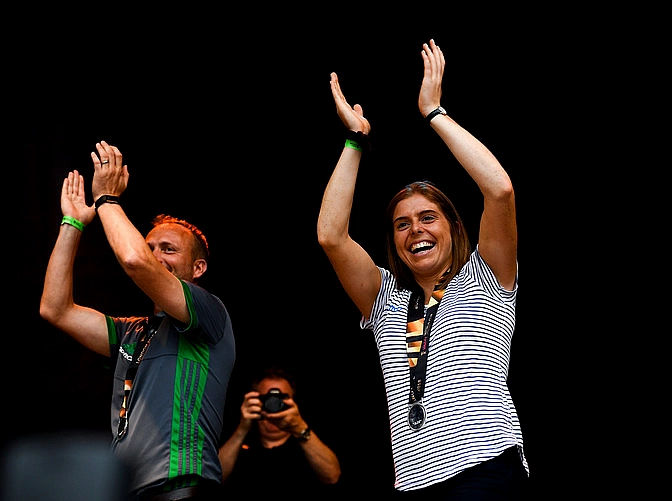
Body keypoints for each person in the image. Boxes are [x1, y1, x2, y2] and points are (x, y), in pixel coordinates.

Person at [316, 39, 529, 500]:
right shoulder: (383, 298)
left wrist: (434, 112)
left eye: (427, 217)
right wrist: (355, 140)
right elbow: (331, 236)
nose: (414, 230)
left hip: (486, 472)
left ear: (453, 225)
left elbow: (500, 191)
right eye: (401, 224)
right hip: (414, 485)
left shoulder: (486, 274)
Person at [40, 140, 236, 501]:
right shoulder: (132, 330)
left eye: (169, 249)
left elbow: (133, 260)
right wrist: (72, 223)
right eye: (151, 247)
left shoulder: (210, 311)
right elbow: (56, 309)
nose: (155, 255)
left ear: (198, 268)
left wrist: (108, 200)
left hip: (180, 488)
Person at [217, 366, 341, 500]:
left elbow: (332, 477)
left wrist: (300, 428)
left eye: (281, 398)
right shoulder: (241, 443)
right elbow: (213, 480)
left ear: (292, 401)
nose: (274, 404)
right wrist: (242, 430)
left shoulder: (310, 442)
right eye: (267, 398)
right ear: (254, 399)